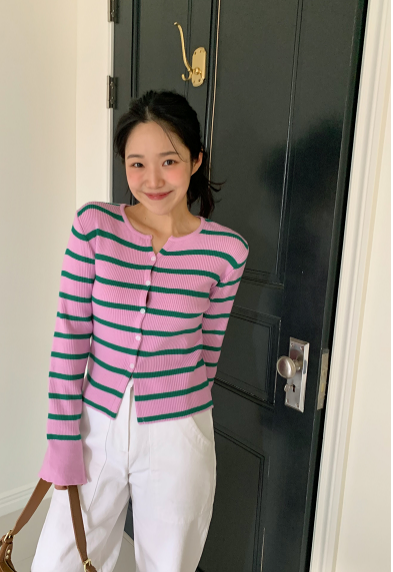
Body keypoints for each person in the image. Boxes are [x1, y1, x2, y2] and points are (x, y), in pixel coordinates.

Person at [31, 89, 249, 572]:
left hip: (180, 431)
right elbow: (70, 338)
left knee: (169, 563)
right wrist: (62, 439)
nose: (152, 180)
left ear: (195, 160)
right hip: (96, 424)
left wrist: (179, 417)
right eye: (137, 164)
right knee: (58, 561)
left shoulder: (227, 252)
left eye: (169, 161)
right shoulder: (94, 228)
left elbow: (208, 350)